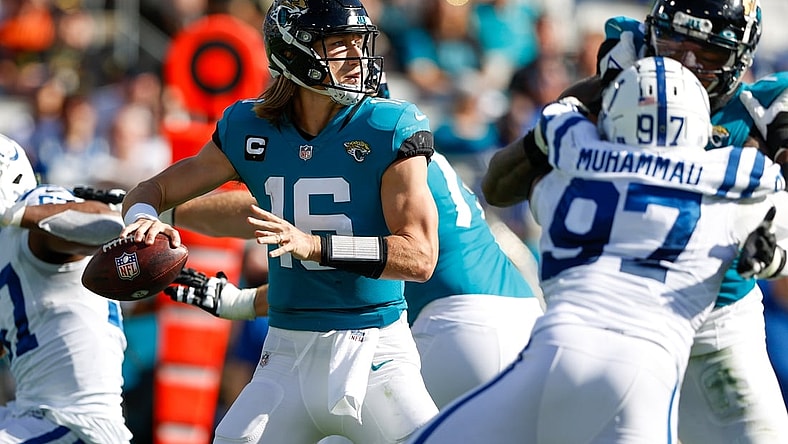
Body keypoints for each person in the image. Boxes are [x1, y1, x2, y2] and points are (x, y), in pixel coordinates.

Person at [408, 56, 787, 443]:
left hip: (554, 351)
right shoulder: (734, 193)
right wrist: (773, 255)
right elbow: (773, 234)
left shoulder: (565, 180)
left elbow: (538, 149)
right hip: (644, 371)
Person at [118, 0, 441, 442]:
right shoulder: (248, 126)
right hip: (285, 351)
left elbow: (420, 257)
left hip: (375, 351)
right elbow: (149, 192)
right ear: (295, 56)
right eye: (338, 45)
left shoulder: (388, 125)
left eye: (358, 42)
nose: (357, 57)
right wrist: (142, 220)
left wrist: (316, 246)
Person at [163, 150, 544, 410]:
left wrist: (157, 209)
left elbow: (265, 216)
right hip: (524, 322)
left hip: (456, 329)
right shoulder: (420, 162)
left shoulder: (376, 153)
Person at [0, 133, 132, 443]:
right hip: (34, 416)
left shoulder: (32, 209)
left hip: (80, 424)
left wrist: (15, 214)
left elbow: (106, 224)